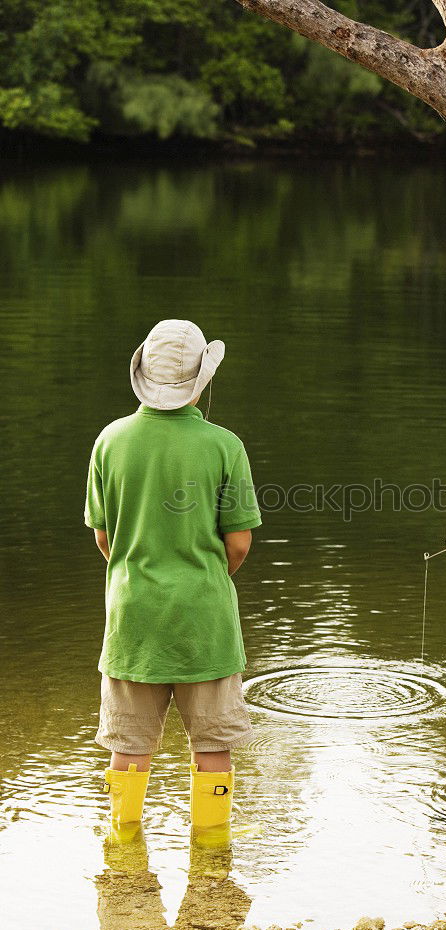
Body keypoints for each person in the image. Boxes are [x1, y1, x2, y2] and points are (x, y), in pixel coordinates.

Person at [84, 319, 261, 841]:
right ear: (200, 381)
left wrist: (140, 570)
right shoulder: (225, 445)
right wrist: (202, 577)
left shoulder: (110, 441)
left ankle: (123, 853)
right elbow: (240, 543)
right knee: (212, 745)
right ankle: (210, 858)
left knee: (129, 744)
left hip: (132, 616)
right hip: (204, 617)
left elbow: (103, 537)